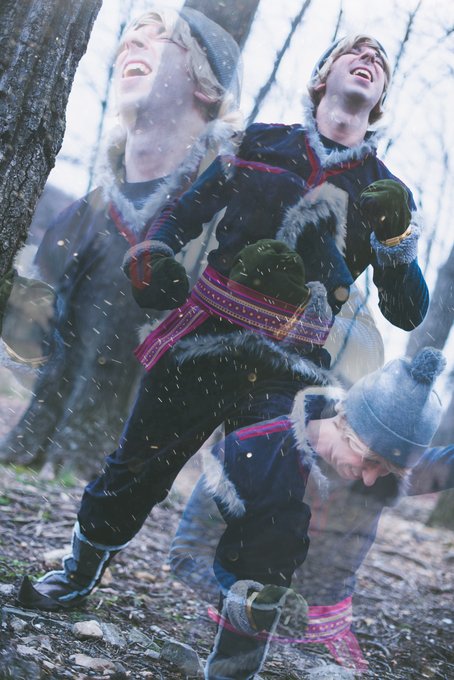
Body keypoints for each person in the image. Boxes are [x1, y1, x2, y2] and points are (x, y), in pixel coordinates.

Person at [17, 33, 429, 617]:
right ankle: (76, 575)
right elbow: (181, 212)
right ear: (322, 78)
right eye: (353, 53)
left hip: (293, 369)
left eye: (378, 61)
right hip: (205, 336)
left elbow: (408, 312)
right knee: (136, 465)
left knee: (274, 501)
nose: (368, 59)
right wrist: (152, 257)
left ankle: (242, 631)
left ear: (380, 95)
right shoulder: (256, 143)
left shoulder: (386, 192)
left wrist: (397, 240)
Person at [0, 6, 241, 471]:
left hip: (132, 479)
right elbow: (26, 341)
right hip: (29, 458)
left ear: (206, 86)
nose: (130, 43)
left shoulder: (228, 223)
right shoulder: (77, 218)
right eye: (129, 36)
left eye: (160, 38)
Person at [199, 347, 445, 678]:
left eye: (387, 470)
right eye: (370, 461)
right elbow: (205, 539)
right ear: (344, 425)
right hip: (256, 571)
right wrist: (241, 592)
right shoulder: (270, 451)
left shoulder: (378, 478)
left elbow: (439, 465)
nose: (371, 479)